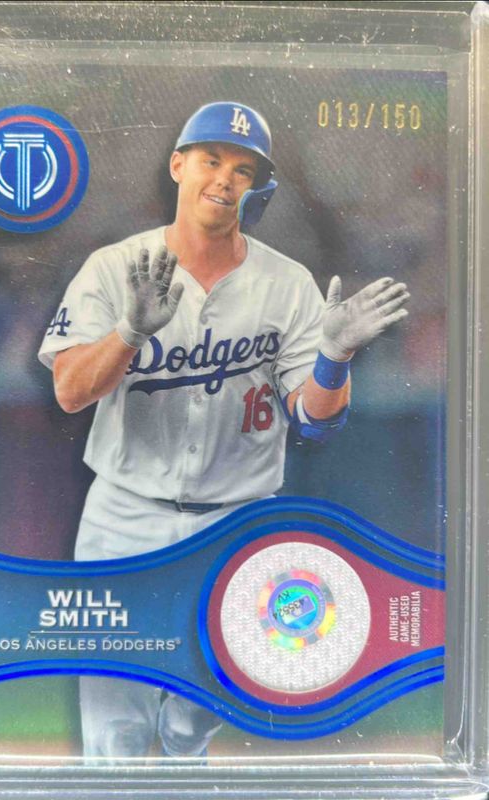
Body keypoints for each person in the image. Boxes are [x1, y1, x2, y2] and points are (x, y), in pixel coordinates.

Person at [38, 101, 409, 759]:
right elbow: (70, 391)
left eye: (243, 170)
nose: (225, 179)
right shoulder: (114, 267)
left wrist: (334, 356)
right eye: (212, 159)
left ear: (257, 187)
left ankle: (188, 737)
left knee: (203, 704)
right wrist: (129, 332)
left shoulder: (286, 284)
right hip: (123, 516)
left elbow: (314, 419)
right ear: (178, 165)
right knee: (115, 733)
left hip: (236, 521)